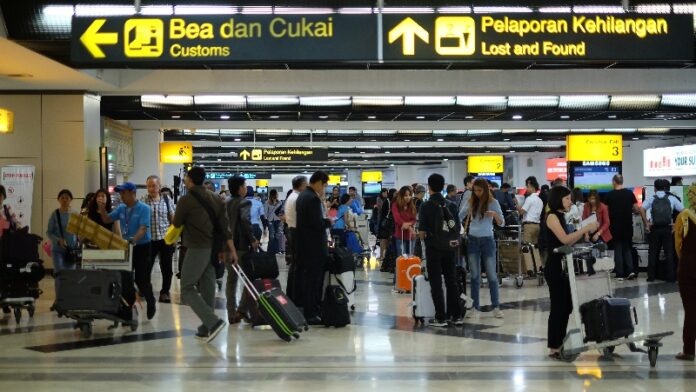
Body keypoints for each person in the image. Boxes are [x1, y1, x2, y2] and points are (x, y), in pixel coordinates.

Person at [171, 167, 237, 342]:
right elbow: (225, 227)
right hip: (213, 248)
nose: (185, 180)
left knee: (186, 287)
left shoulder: (186, 200)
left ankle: (212, 322)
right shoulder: (216, 198)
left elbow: (177, 222)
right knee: (208, 285)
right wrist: (226, 249)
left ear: (190, 180)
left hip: (197, 247)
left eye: (186, 177)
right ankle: (206, 327)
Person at [545, 186, 599, 359]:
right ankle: (554, 346)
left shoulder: (562, 216)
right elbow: (565, 240)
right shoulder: (552, 216)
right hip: (555, 267)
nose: (570, 201)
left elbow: (569, 241)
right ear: (558, 199)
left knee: (566, 305)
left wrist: (581, 231)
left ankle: (559, 343)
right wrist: (585, 229)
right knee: (558, 306)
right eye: (567, 199)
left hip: (564, 266)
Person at [98, 182, 156, 319]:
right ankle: (127, 311)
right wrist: (101, 208)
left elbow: (143, 228)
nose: (121, 196)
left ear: (132, 193)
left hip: (142, 247)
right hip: (126, 248)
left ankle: (150, 299)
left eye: (123, 193)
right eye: (120, 193)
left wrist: (133, 240)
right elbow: (106, 219)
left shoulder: (144, 208)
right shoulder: (121, 208)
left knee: (141, 280)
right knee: (126, 279)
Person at [418, 173, 462, 327]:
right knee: (452, 280)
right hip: (450, 247)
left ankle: (440, 317)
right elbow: (457, 227)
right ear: (443, 187)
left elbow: (422, 231)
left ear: (429, 187)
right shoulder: (451, 205)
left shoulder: (425, 206)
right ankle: (456, 316)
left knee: (436, 282)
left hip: (434, 248)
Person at [461, 179, 504, 318]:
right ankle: (474, 306)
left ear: (486, 190)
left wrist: (495, 215)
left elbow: (502, 222)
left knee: (491, 275)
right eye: (475, 190)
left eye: (480, 190)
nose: (477, 193)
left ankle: (496, 305)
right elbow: (458, 216)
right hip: (472, 240)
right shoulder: (470, 202)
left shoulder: (493, 202)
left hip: (488, 240)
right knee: (474, 276)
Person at [295, 171, 331, 325]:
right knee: (314, 281)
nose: (324, 189)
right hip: (315, 249)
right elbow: (317, 224)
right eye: (324, 185)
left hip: (304, 246)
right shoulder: (313, 199)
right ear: (318, 182)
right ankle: (312, 313)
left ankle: (308, 311)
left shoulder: (302, 197)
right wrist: (328, 222)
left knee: (307, 280)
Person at [225, 175, 260, 325]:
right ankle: (242, 310)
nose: (246, 189)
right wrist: (253, 239)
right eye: (245, 186)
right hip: (240, 247)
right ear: (240, 188)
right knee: (249, 280)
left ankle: (231, 313)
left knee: (231, 280)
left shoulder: (225, 201)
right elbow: (246, 221)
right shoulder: (244, 202)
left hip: (227, 246)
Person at [641, 178, 685, 282]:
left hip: (655, 228)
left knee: (652, 253)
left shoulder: (652, 198)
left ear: (655, 188)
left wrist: (646, 223)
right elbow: (684, 211)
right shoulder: (672, 198)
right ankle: (671, 277)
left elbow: (641, 209)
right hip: (667, 229)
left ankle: (651, 277)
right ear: (666, 188)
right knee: (669, 253)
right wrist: (675, 224)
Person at [142, 175, 176, 303]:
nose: (151, 188)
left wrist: (174, 238)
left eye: (154, 185)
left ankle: (165, 292)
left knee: (166, 267)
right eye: (149, 186)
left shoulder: (167, 200)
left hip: (165, 239)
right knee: (146, 267)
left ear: (159, 186)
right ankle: (145, 289)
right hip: (149, 240)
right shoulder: (143, 201)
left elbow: (173, 220)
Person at [674, 183, 696, 361]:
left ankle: (689, 350)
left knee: (691, 310)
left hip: (689, 267)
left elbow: (678, 245)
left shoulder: (684, 217)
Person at [604, 175, 640, 280]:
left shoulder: (609, 195)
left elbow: (605, 210)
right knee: (627, 248)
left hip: (615, 226)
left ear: (614, 182)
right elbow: (636, 209)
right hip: (627, 225)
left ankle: (619, 273)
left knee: (617, 249)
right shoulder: (629, 194)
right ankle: (630, 271)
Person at [284, 175, 307, 303]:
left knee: (295, 264)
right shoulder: (297, 198)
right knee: (299, 265)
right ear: (302, 185)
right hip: (297, 232)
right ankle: (296, 295)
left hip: (292, 230)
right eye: (306, 183)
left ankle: (292, 293)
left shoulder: (291, 197)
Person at [46, 189, 78, 274]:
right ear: (58, 200)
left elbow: (79, 231)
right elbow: (49, 232)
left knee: (70, 275)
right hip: (57, 250)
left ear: (71, 200)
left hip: (71, 250)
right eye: (62, 198)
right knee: (59, 273)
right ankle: (59, 287)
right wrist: (58, 240)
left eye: (67, 198)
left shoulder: (75, 214)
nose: (64, 200)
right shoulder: (55, 214)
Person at [517, 177, 543, 246]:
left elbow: (521, 212)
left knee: (527, 249)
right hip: (537, 226)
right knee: (535, 248)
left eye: (528, 187)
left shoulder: (529, 198)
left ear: (533, 187)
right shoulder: (540, 200)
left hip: (529, 226)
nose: (527, 189)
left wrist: (517, 205)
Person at [392, 186, 417, 256]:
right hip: (400, 236)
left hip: (411, 236)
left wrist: (407, 225)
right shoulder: (395, 205)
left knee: (410, 258)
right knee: (402, 259)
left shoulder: (412, 206)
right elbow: (398, 219)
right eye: (406, 195)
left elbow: (414, 220)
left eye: (409, 195)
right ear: (401, 196)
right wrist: (410, 227)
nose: (408, 197)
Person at [378, 188, 397, 261]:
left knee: (387, 240)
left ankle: (385, 256)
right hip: (386, 223)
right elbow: (383, 213)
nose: (396, 195)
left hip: (388, 223)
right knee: (384, 240)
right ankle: (382, 256)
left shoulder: (392, 201)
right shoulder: (388, 201)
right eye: (395, 193)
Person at [264, 189, 282, 255]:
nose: (278, 195)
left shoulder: (280, 202)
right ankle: (270, 251)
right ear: (273, 194)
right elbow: (265, 213)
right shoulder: (267, 202)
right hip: (270, 221)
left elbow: (281, 212)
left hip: (278, 220)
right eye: (277, 193)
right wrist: (266, 222)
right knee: (271, 236)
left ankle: (277, 250)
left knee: (277, 235)